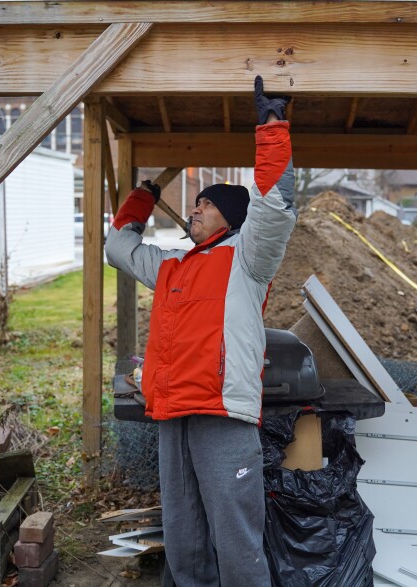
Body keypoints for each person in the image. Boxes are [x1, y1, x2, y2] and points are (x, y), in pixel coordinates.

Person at [105, 76, 295, 586]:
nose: (194, 207)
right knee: (184, 535)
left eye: (205, 203)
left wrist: (272, 127)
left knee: (235, 536)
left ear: (230, 218)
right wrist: (142, 200)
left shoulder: (248, 260)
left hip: (219, 413)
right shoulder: (172, 264)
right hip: (172, 413)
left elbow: (274, 205)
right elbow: (118, 249)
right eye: (195, 202)